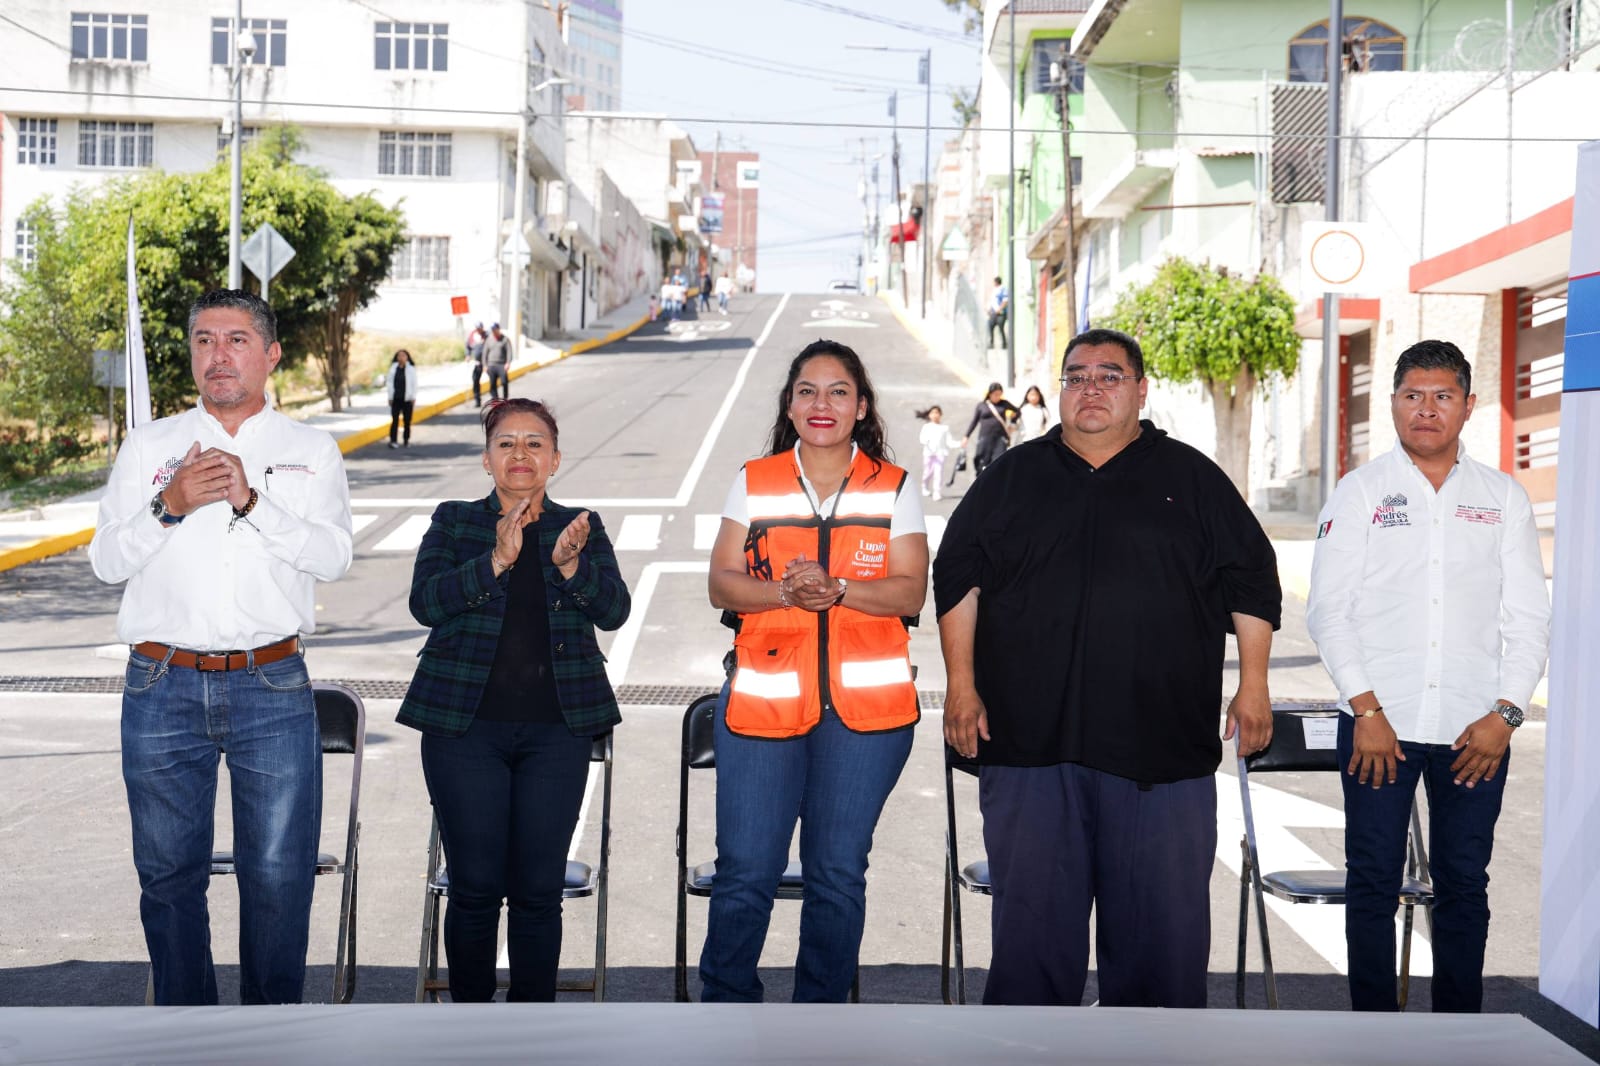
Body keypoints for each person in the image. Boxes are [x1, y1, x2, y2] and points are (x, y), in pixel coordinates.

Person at [933, 327, 1280, 1008]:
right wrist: (962, 687)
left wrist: (1255, 687)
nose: (1091, 388)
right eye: (1076, 376)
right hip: (1031, 751)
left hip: (1162, 759)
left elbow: (1252, 583)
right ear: (1059, 390)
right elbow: (957, 578)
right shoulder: (1012, 477)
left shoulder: (1192, 478)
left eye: (1109, 375)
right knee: (1032, 958)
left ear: (1142, 390)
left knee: (1163, 961)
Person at [88, 288, 354, 1005]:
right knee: (169, 874)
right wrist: (168, 507)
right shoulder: (150, 446)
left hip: (271, 686)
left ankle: (271, 1036)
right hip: (160, 683)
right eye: (204, 340)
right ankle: (187, 1032)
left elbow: (333, 558)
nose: (218, 355)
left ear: (270, 355)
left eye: (236, 340)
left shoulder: (309, 450)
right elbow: (107, 561)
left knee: (278, 873)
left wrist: (251, 504)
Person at [1305, 339, 1549, 1013]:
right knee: (1373, 882)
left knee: (1465, 883)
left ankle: (1457, 1036)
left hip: (1476, 732)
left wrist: (1506, 716)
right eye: (1412, 395)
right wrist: (1368, 710)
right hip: (1378, 726)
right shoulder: (1360, 493)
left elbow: (1530, 620)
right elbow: (1328, 611)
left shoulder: (1501, 497)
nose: (1426, 410)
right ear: (1392, 405)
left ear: (1468, 406)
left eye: (1443, 396)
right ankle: (1374, 1035)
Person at [700, 339, 929, 1003]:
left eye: (837, 391)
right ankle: (726, 1012)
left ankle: (819, 1024)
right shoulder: (755, 479)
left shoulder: (893, 487)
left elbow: (910, 592)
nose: (820, 403)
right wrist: (782, 594)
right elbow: (721, 583)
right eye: (807, 390)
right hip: (762, 706)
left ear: (860, 407)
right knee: (746, 871)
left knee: (836, 873)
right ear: (791, 405)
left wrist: (837, 590)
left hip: (868, 717)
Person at [397, 397, 630, 1003]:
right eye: (506, 443)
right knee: (473, 887)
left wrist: (573, 569)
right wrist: (496, 560)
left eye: (534, 443)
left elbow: (614, 611)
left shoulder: (580, 525)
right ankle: (472, 1027)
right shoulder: (454, 521)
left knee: (536, 891)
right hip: (463, 732)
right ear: (486, 458)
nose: (520, 454)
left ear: (554, 459)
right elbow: (426, 602)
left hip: (558, 732)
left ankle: (534, 1026)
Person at [962, 382, 1019, 476]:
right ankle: (980, 482)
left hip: (1000, 438)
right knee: (980, 460)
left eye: (1000, 394)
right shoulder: (981, 405)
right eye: (995, 394)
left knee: (999, 462)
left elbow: (1017, 411)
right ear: (990, 393)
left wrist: (1012, 424)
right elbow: (974, 422)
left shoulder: (1004, 404)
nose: (997, 396)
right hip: (984, 438)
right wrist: (966, 436)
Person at [916, 404, 959, 501]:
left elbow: (949, 442)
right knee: (928, 472)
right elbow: (922, 438)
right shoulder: (926, 427)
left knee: (938, 473)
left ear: (940, 414)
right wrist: (925, 441)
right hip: (929, 453)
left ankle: (937, 492)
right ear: (929, 415)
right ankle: (925, 486)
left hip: (941, 453)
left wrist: (960, 444)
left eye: (937, 413)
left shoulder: (944, 428)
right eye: (933, 413)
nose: (935, 415)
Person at [387, 348, 418, 449]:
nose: (401, 358)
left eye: (403, 355)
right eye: (399, 356)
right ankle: (393, 440)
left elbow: (414, 384)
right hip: (396, 398)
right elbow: (389, 384)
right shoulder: (393, 369)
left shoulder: (411, 369)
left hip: (407, 399)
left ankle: (406, 439)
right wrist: (390, 397)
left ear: (407, 357)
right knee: (395, 420)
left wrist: (413, 397)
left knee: (407, 421)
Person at [482, 323, 511, 402]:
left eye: (495, 329)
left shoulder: (505, 339)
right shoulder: (489, 339)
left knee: (504, 382)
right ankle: (496, 401)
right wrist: (484, 365)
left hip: (501, 364)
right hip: (491, 365)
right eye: (492, 330)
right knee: (492, 384)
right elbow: (485, 353)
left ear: (498, 329)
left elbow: (509, 352)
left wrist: (508, 363)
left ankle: (505, 399)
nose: (494, 331)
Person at [467, 321, 487, 408]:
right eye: (477, 329)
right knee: (475, 380)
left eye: (480, 328)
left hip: (487, 362)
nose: (478, 330)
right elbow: (468, 346)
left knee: (494, 380)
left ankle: (496, 401)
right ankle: (477, 400)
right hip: (478, 363)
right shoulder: (472, 336)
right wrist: (468, 355)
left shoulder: (487, 335)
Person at [987, 276, 1009, 349]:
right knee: (990, 326)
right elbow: (993, 301)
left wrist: (999, 310)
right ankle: (991, 343)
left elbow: (1005, 301)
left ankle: (1004, 344)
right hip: (994, 313)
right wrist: (990, 309)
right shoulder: (994, 290)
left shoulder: (1003, 289)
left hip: (1001, 313)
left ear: (996, 282)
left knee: (1001, 328)